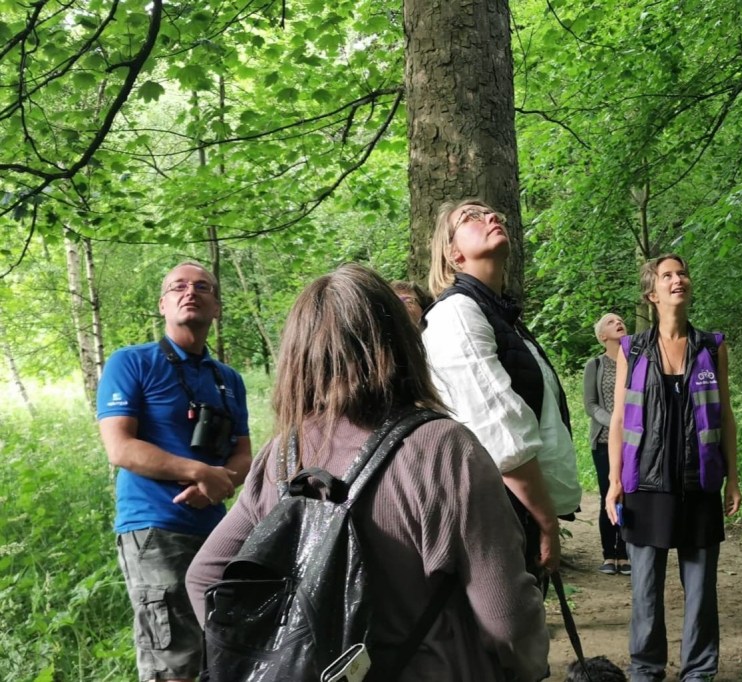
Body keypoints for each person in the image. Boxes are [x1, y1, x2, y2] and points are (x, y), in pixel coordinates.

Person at [186, 264, 549, 682]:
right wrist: (530, 668)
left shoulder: (280, 456)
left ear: (297, 356)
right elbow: (507, 619)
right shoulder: (444, 449)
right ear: (400, 342)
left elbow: (205, 576)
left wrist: (266, 659)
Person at [97, 261, 252, 682]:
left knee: (221, 652)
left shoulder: (228, 379)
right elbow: (120, 447)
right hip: (155, 529)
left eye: (203, 287)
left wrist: (220, 482)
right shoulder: (131, 362)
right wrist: (200, 472)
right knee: (173, 661)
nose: (190, 292)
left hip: (217, 532)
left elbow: (243, 454)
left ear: (217, 307)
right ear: (163, 304)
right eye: (178, 287)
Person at [421, 198, 582, 578]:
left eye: (493, 214)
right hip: (487, 517)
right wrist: (546, 522)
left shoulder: (500, 316)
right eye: (471, 217)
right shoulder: (456, 314)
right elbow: (499, 430)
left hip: (512, 511)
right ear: (453, 254)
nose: (491, 217)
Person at [606, 254, 742, 682]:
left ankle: (698, 671)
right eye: (667, 276)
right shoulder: (633, 349)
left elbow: (725, 416)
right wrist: (613, 480)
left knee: (700, 591)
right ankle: (646, 670)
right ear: (652, 294)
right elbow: (618, 419)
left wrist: (733, 478)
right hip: (645, 485)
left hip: (700, 482)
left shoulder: (711, 346)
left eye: (682, 273)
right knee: (646, 590)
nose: (677, 279)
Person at [583, 313, 630, 576]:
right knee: (608, 494)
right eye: (611, 322)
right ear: (602, 336)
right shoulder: (595, 365)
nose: (619, 323)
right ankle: (609, 554)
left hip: (633, 441)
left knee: (630, 496)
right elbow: (590, 405)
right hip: (603, 441)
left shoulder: (636, 361)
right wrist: (614, 423)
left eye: (620, 320)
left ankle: (625, 553)